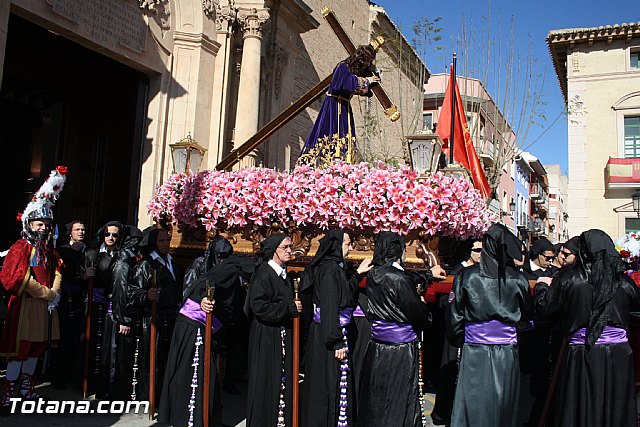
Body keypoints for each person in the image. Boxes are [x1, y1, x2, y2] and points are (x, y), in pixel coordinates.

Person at [535, 229, 640, 427]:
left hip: (583, 353)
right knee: (614, 405)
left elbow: (546, 308)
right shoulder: (624, 282)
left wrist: (541, 288)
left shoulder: (569, 279)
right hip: (617, 353)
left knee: (581, 405)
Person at [446, 223, 532, 427]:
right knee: (503, 399)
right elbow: (526, 315)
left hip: (476, 349)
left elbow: (454, 314)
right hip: (506, 350)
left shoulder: (467, 276)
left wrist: (459, 339)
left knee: (474, 398)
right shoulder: (519, 279)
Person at [359, 231, 446, 427]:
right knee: (399, 396)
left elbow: (402, 277)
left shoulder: (374, 274)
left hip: (378, 347)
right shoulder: (398, 278)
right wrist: (425, 310)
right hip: (400, 350)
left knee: (378, 396)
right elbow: (419, 315)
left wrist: (426, 274)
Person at [0, 166, 67, 409]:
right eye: (40, 224)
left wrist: (55, 293)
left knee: (36, 349)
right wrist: (46, 292)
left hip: (45, 307)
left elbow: (57, 270)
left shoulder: (49, 250)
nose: (44, 228)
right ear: (30, 224)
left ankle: (27, 388)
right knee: (20, 349)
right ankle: (8, 390)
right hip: (26, 305)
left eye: (46, 225)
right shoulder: (21, 247)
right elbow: (16, 277)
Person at [301, 230, 372, 426]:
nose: (350, 247)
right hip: (329, 333)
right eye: (347, 243)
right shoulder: (330, 269)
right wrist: (335, 340)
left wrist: (357, 274)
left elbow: (345, 295)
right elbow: (330, 304)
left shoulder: (336, 267)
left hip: (331, 331)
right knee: (327, 385)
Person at [245, 234, 302, 427]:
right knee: (265, 381)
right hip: (266, 336)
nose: (289, 250)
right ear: (273, 251)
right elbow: (259, 307)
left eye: (290, 247)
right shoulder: (264, 273)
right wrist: (289, 309)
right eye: (285, 247)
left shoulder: (282, 273)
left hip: (279, 334)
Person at [296, 45, 380, 168]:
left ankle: (343, 165)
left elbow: (360, 90)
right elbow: (344, 84)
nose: (367, 65)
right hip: (334, 106)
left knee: (345, 137)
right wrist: (368, 80)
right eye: (367, 61)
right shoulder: (343, 67)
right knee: (329, 135)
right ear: (360, 59)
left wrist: (371, 80)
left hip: (345, 107)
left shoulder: (353, 72)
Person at [129, 227, 183, 405]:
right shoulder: (147, 264)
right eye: (161, 241)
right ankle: (150, 398)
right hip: (153, 319)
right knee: (153, 361)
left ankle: (166, 399)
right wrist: (146, 295)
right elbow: (133, 292)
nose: (166, 244)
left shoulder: (171, 262)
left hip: (170, 318)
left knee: (168, 360)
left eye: (167, 240)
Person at [430, 240, 482, 426]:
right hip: (456, 330)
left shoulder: (482, 271)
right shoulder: (457, 272)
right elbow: (445, 301)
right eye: (477, 250)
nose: (481, 254)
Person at [52, 220, 93, 390]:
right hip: (65, 299)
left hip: (82, 300)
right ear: (71, 232)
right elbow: (62, 273)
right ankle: (59, 378)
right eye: (77, 230)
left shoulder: (89, 251)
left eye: (83, 229)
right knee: (64, 339)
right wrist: (81, 276)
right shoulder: (62, 250)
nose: (81, 232)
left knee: (80, 340)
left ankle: (76, 378)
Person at [86, 220, 123, 399]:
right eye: (107, 234)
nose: (110, 238)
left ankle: (105, 386)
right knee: (90, 343)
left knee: (108, 348)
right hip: (94, 304)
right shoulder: (93, 253)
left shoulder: (121, 255)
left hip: (110, 305)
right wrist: (85, 274)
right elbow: (79, 273)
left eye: (115, 235)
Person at [109, 225, 142, 400]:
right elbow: (120, 291)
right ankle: (118, 395)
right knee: (119, 357)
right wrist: (123, 319)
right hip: (122, 316)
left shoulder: (132, 258)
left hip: (128, 313)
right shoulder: (123, 261)